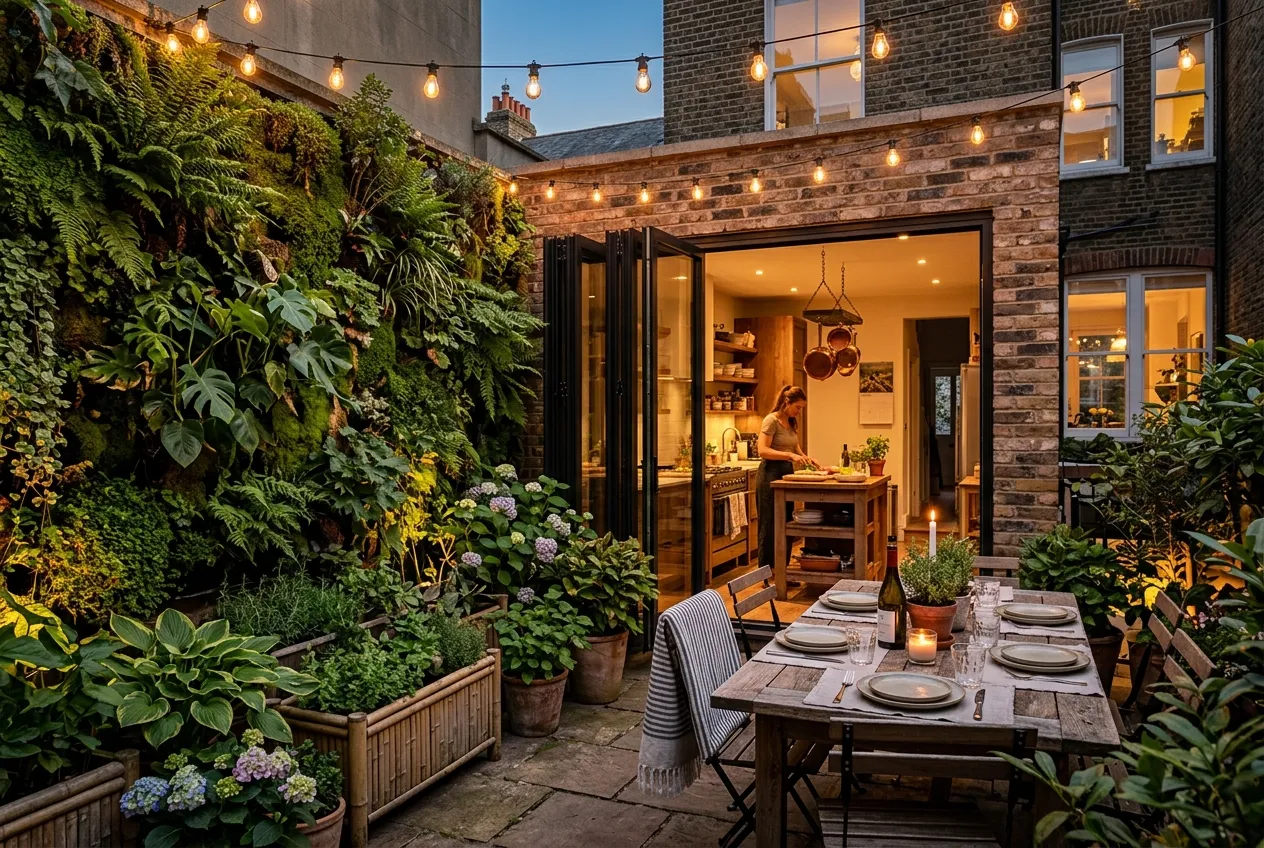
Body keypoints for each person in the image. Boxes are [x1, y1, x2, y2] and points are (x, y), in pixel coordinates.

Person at [755, 385, 820, 571]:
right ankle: (766, 573)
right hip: (769, 476)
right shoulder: (771, 421)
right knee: (769, 526)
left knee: (785, 524)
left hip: (785, 477)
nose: (799, 412)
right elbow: (763, 450)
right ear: (786, 402)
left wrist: (808, 459)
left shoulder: (791, 422)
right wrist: (789, 456)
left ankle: (782, 571)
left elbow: (795, 448)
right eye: (798, 407)